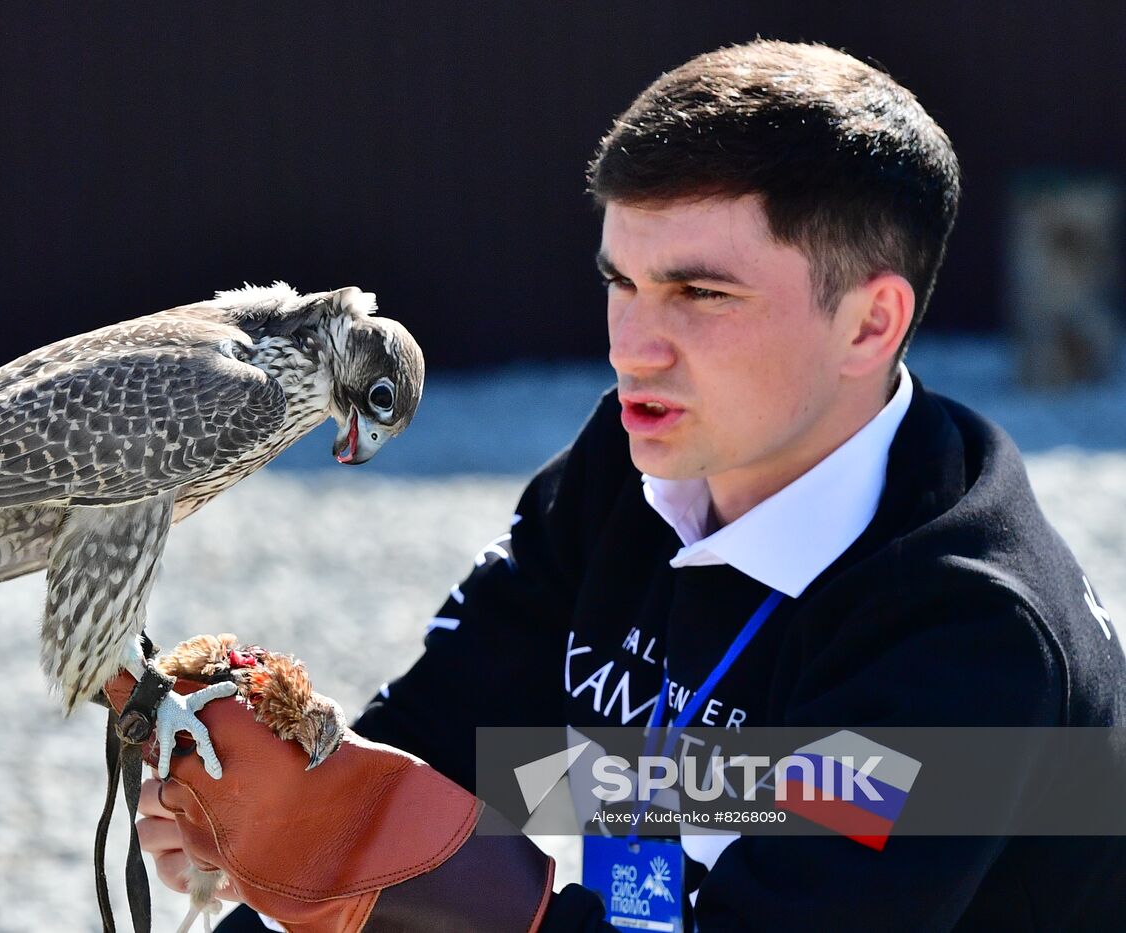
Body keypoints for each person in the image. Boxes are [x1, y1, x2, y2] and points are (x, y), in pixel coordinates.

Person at [130, 39, 1126, 930]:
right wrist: (280, 823)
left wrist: (385, 883)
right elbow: (449, 750)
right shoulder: (632, 465)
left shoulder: (970, 641)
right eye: (621, 282)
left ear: (867, 325)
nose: (632, 351)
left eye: (699, 293)